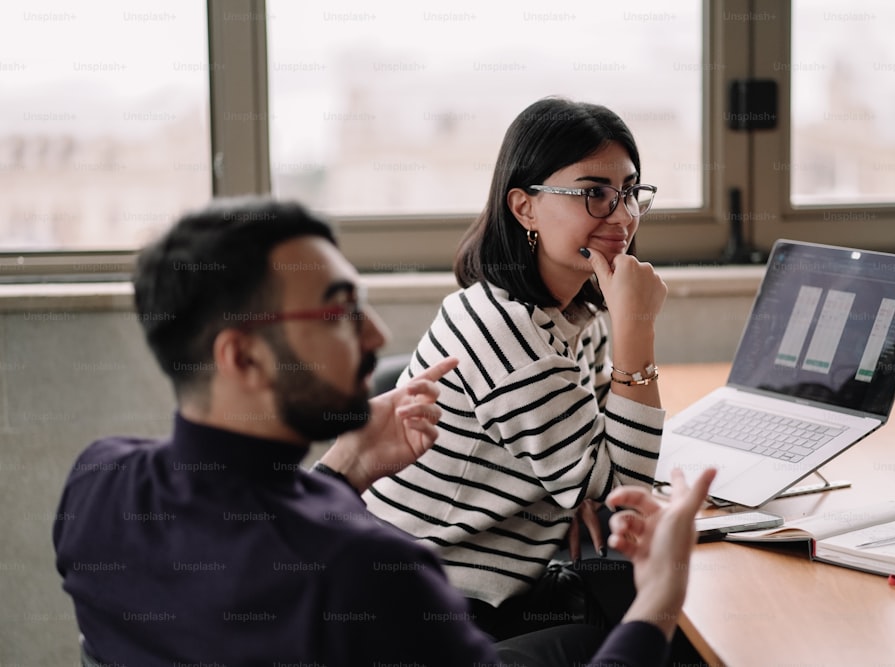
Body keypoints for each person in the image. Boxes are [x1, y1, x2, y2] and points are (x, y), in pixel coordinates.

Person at [51, 197, 715, 667]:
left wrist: (345, 465)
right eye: (340, 312)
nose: (375, 336)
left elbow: (244, 557)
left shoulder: (96, 482)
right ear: (242, 357)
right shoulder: (371, 573)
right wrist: (659, 596)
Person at [364, 97, 669, 637]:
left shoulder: (577, 311)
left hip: (483, 589)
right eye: (594, 194)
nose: (623, 215)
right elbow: (624, 491)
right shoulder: (512, 337)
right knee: (673, 633)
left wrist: (580, 487)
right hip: (426, 613)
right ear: (524, 208)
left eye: (628, 192)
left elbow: (601, 456)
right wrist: (637, 332)